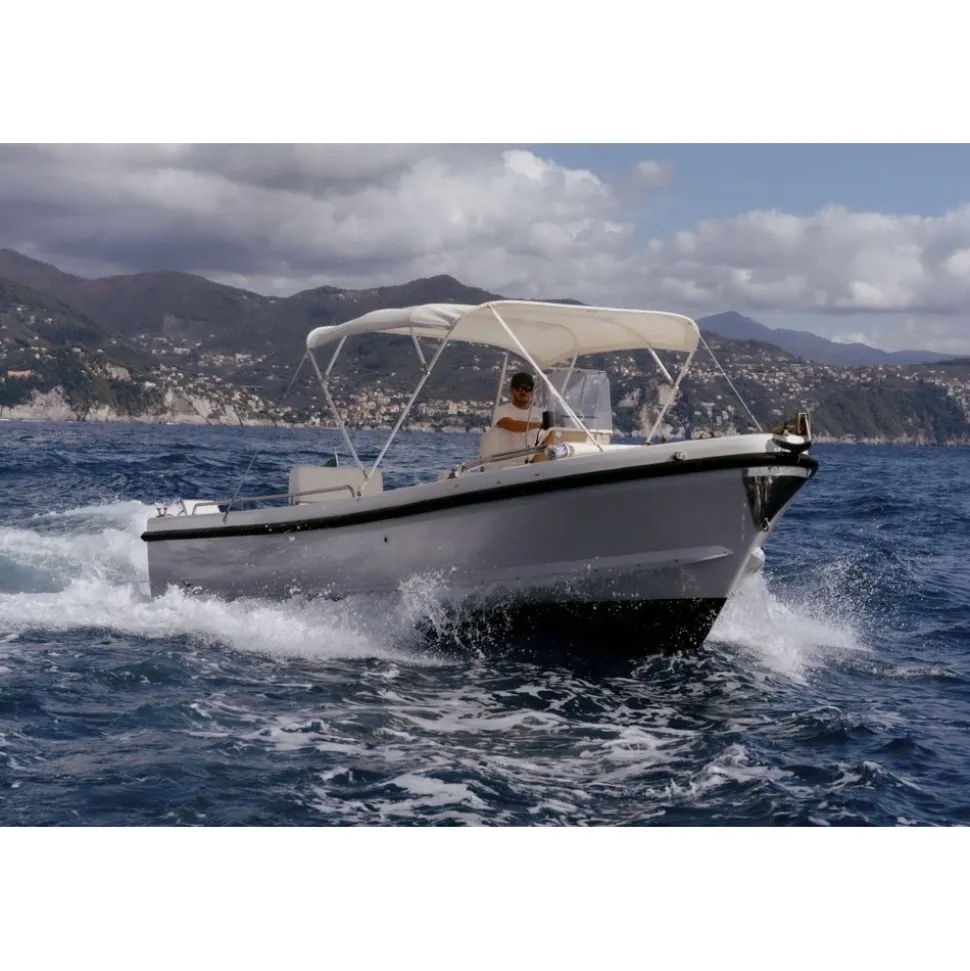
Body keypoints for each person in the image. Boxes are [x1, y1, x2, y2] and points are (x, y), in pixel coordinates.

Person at [490, 371, 545, 455]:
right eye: (519, 388)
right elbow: (509, 424)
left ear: (532, 391)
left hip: (534, 461)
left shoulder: (540, 413)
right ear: (512, 390)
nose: (523, 392)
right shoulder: (500, 411)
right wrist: (539, 425)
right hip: (507, 461)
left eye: (527, 388)